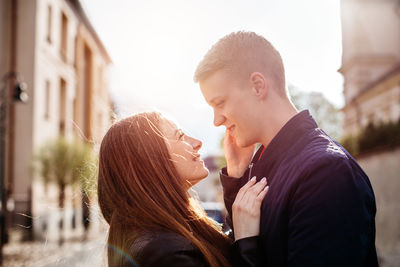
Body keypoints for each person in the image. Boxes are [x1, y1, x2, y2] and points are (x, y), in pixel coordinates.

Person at [194, 31, 378, 266]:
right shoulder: (263, 166)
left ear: (258, 86)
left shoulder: (326, 173)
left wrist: (248, 246)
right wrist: (237, 180)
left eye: (219, 103)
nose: (216, 120)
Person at [97, 111, 269, 267]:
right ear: (150, 160)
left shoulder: (164, 238)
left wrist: (236, 172)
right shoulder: (167, 255)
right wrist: (247, 241)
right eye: (180, 136)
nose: (197, 143)